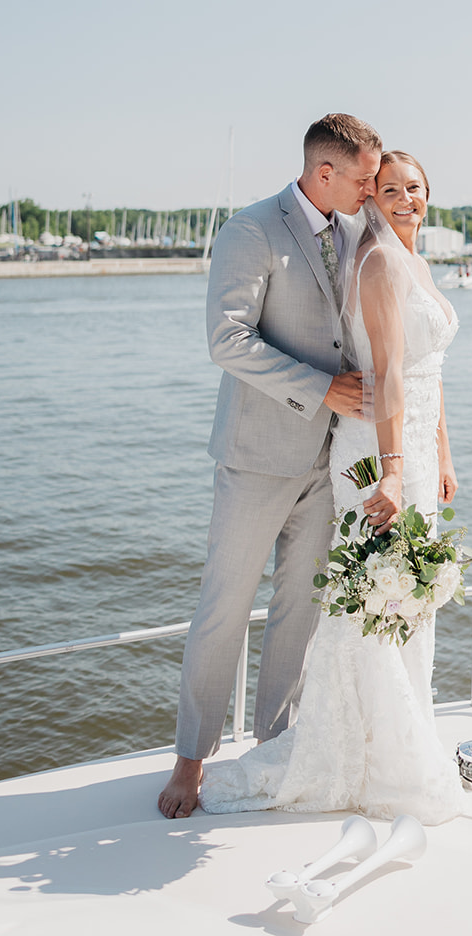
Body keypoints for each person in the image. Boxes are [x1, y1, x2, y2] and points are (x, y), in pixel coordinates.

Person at [194, 150, 464, 824]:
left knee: (368, 602)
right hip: (352, 449)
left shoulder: (400, 255)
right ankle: (220, 756)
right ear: (349, 182)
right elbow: (386, 375)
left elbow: (428, 372)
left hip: (405, 451)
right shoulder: (353, 253)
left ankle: (383, 737)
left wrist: (441, 453)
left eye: (413, 187)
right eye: (386, 185)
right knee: (316, 603)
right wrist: (396, 469)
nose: (400, 197)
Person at [157, 113, 383, 820]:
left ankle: (273, 750)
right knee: (223, 613)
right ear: (325, 173)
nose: (372, 190)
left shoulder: (354, 233)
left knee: (299, 614)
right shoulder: (249, 229)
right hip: (256, 459)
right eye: (363, 178)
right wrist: (320, 388)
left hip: (330, 461)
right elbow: (226, 341)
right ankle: (189, 761)